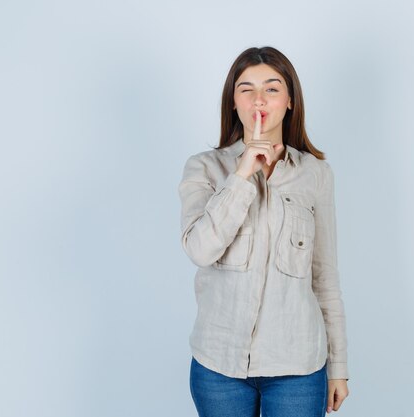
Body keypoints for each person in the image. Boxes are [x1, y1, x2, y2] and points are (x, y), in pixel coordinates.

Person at [178, 46, 350, 417]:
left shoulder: (316, 175)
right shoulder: (203, 169)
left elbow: (325, 279)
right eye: (246, 89)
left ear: (289, 101)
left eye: (272, 88)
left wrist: (338, 368)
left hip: (298, 370)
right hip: (218, 366)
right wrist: (241, 174)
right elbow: (199, 249)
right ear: (233, 102)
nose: (259, 99)